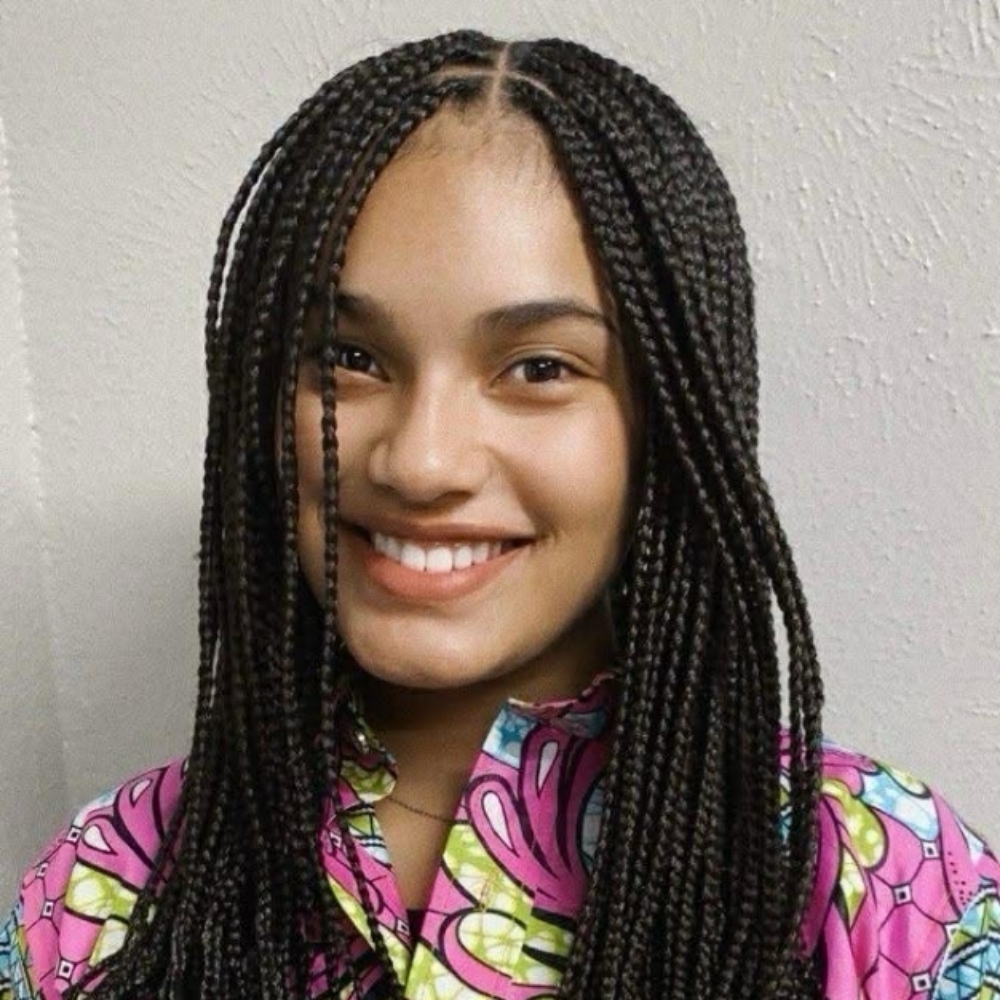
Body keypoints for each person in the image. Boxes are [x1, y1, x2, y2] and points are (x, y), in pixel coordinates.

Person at [0, 29, 997, 1000]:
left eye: (538, 367)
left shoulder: (871, 879)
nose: (421, 460)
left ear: (671, 422)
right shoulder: (106, 889)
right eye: (348, 357)